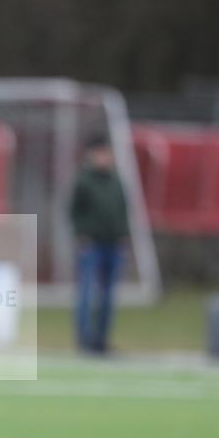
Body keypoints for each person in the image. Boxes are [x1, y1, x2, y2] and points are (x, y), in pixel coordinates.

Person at [68, 134, 129, 354]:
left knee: (109, 295)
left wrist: (123, 235)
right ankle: (84, 338)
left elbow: (123, 211)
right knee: (87, 292)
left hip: (113, 244)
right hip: (92, 245)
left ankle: (101, 338)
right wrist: (81, 235)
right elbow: (73, 212)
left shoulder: (116, 181)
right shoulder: (84, 181)